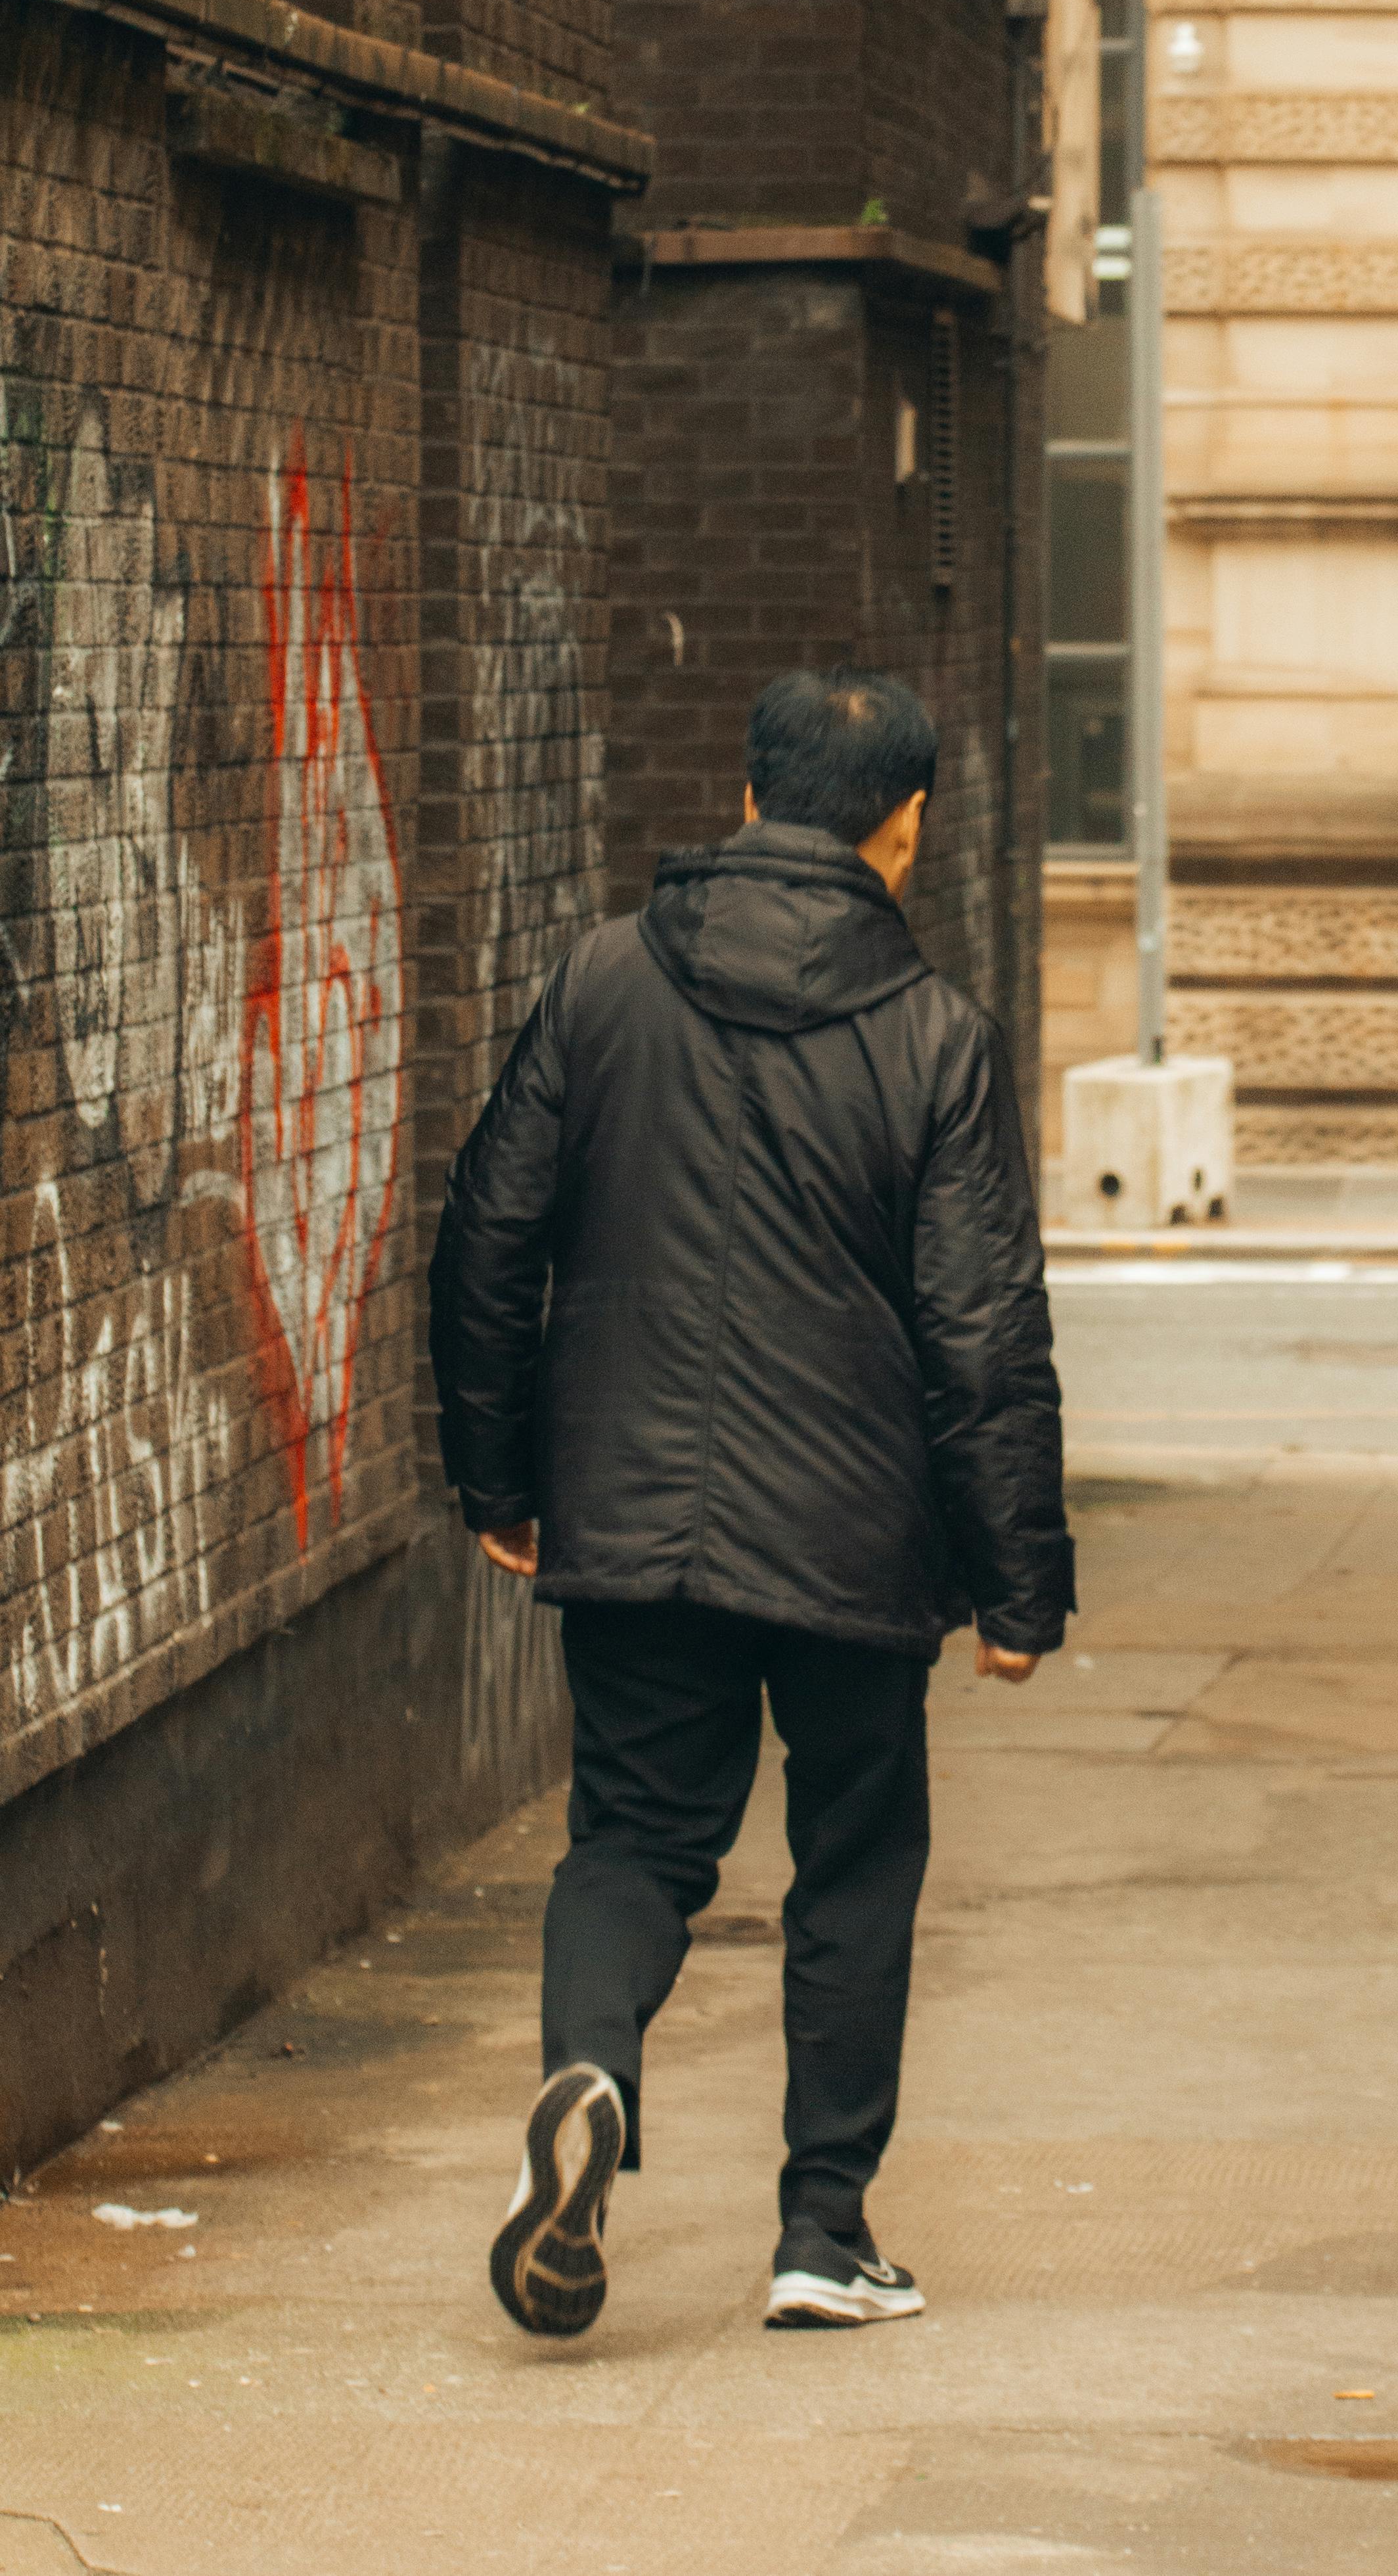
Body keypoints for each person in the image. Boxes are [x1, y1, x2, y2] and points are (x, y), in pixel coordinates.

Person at [428, 666, 1071, 2338]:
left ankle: (591, 2071)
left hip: (629, 1513)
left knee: (635, 1838)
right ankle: (823, 2232)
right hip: (859, 1540)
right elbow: (983, 1330)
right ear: (907, 825)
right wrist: (1019, 1586)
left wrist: (500, 1476)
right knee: (852, 1863)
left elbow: (490, 1235)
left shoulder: (600, 983)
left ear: (744, 797)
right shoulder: (937, 1037)